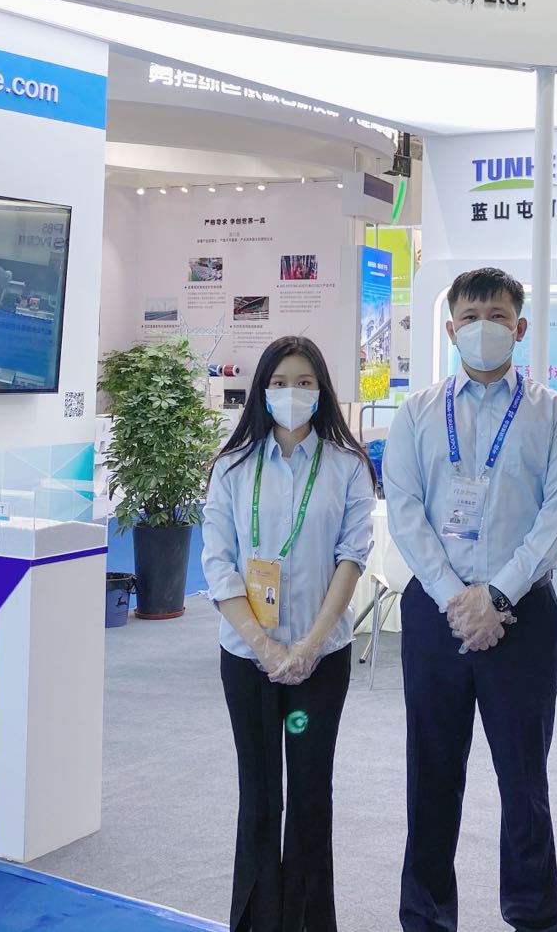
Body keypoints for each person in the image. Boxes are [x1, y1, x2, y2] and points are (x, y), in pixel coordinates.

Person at [383, 267, 557, 932]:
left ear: (519, 328)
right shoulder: (417, 412)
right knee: (431, 773)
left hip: (522, 615)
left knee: (524, 779)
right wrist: (456, 598)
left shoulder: (553, 413)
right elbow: (405, 511)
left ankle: (532, 914)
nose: (483, 328)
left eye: (496, 316)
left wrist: (496, 594)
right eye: (470, 317)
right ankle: (425, 915)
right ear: (450, 330)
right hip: (435, 613)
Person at [200, 335, 377, 932]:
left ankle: (308, 922)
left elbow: (352, 558)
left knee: (309, 795)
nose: (292, 393)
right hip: (247, 658)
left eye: (305, 383)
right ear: (262, 391)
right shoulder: (231, 466)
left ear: (322, 391)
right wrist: (265, 646)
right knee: (258, 795)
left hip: (318, 663)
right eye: (280, 383)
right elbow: (217, 563)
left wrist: (306, 647)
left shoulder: (348, 466)